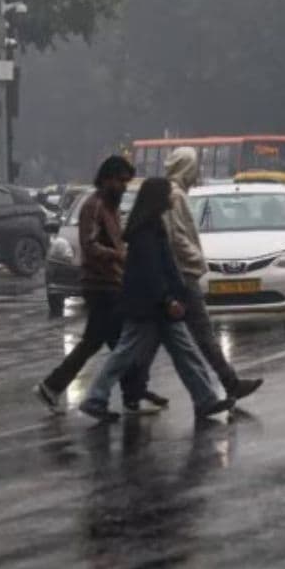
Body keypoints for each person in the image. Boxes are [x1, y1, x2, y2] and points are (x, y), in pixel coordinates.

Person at [79, 178, 234, 423]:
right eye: (168, 194)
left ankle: (206, 400)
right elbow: (153, 271)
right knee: (125, 354)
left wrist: (176, 295)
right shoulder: (145, 232)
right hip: (148, 308)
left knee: (185, 352)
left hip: (158, 307)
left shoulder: (153, 225)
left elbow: (167, 266)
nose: (172, 198)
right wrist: (168, 299)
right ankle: (94, 399)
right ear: (157, 198)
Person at [34, 156, 166, 416]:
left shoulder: (111, 206)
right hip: (101, 286)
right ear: (106, 179)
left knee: (105, 343)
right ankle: (124, 395)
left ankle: (54, 387)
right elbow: (90, 245)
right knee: (122, 344)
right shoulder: (93, 206)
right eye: (120, 181)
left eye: (126, 182)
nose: (124, 186)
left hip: (112, 283)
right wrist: (119, 256)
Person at [157, 147, 262, 401]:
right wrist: (196, 259)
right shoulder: (175, 196)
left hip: (177, 274)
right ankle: (229, 382)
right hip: (183, 275)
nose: (198, 174)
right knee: (203, 335)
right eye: (195, 168)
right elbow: (177, 237)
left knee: (155, 341)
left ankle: (132, 388)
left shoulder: (174, 193)